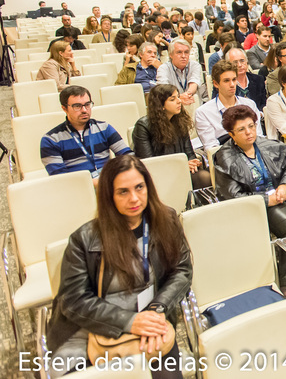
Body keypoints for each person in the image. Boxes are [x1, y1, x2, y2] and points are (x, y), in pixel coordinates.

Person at [45, 154, 191, 378]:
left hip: (150, 320)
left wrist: (157, 310)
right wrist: (130, 321)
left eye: (139, 187)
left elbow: (181, 271)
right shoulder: (84, 240)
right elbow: (74, 301)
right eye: (123, 191)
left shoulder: (166, 220)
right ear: (109, 196)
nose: (134, 198)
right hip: (91, 329)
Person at [214, 105, 286, 296]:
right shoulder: (223, 158)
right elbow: (233, 196)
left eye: (251, 126)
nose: (249, 132)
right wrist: (267, 200)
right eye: (241, 129)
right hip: (250, 208)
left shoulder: (267, 145)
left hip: (278, 198)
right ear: (231, 134)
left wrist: (284, 186)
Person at [41, 86, 132, 184]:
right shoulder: (51, 139)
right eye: (77, 106)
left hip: (108, 183)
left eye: (87, 104)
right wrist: (100, 183)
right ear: (65, 108)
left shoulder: (104, 128)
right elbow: (60, 179)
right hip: (78, 189)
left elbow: (128, 156)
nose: (84, 110)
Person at [132, 84, 211, 189]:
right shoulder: (143, 126)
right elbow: (148, 163)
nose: (179, 101)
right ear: (161, 105)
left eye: (178, 97)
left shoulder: (180, 121)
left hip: (182, 169)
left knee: (209, 174)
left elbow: (189, 153)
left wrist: (193, 162)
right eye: (172, 99)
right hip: (158, 174)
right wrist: (181, 166)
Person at [195, 61, 262, 149]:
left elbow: (259, 137)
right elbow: (212, 148)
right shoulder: (204, 112)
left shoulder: (249, 104)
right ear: (216, 84)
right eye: (226, 81)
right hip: (226, 156)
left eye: (234, 79)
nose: (232, 85)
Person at [156, 39, 204, 107]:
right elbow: (163, 90)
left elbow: (194, 83)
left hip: (192, 104)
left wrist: (187, 95)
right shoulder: (163, 68)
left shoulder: (195, 65)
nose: (183, 56)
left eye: (186, 52)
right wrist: (179, 97)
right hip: (172, 107)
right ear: (171, 55)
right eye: (179, 52)